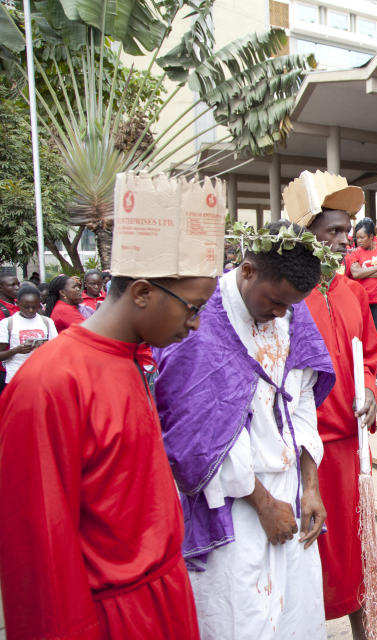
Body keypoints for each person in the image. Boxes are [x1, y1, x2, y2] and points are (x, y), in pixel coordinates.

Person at [0, 172, 225, 640]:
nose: (197, 324)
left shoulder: (133, 358)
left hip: (162, 595)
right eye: (192, 307)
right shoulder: (50, 381)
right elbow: (38, 549)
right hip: (110, 617)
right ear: (142, 292)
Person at [156, 218, 335, 640]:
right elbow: (194, 434)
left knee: (296, 612)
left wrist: (310, 485)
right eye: (274, 301)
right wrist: (261, 502)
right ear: (248, 270)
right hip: (231, 497)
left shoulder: (293, 311)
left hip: (291, 488)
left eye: (289, 306)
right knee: (242, 617)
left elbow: (303, 396)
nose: (280, 313)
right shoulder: (200, 321)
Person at [283, 172, 377, 640]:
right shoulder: (287, 297)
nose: (345, 241)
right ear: (310, 236)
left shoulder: (355, 292)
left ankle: (364, 630)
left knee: (352, 547)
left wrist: (369, 389)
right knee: (306, 551)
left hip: (347, 443)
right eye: (334, 232)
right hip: (301, 449)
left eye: (348, 231)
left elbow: (369, 355)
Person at [345, 217, 377, 386]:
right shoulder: (356, 253)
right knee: (366, 340)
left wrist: (366, 270)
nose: (358, 241)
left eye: (361, 237)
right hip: (362, 303)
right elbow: (357, 274)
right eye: (356, 238)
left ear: (371, 236)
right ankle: (372, 374)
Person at [0, 283, 57, 382]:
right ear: (18, 303)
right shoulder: (7, 323)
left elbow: (56, 348)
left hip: (41, 376)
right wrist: (16, 350)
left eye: (34, 307)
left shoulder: (47, 322)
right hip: (16, 378)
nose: (30, 310)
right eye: (26, 307)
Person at [0, 267, 20, 396]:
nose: (17, 287)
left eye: (18, 284)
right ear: (1, 288)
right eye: (12, 285)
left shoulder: (20, 305)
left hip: (19, 367)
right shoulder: (2, 311)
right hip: (5, 370)